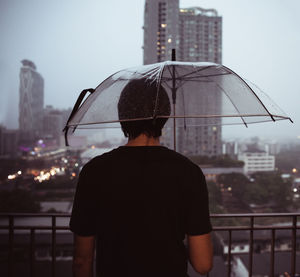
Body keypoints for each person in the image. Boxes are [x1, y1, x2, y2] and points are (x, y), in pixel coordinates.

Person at [70, 78, 213, 277]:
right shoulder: (189, 172)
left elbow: (81, 260)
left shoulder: (94, 171)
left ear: (123, 116)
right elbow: (203, 264)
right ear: (164, 115)